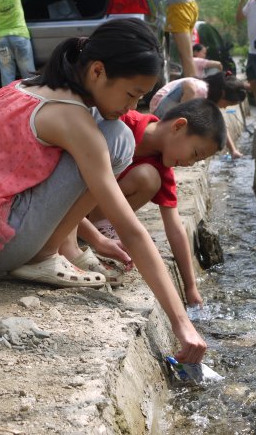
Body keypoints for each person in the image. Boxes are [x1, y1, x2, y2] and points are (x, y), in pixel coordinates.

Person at [0, 18, 207, 363]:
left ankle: (62, 246)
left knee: (115, 135)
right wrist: (182, 323)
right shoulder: (72, 118)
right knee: (118, 139)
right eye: (131, 94)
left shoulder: (34, 86)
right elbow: (132, 229)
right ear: (97, 71)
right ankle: (43, 255)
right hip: (4, 243)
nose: (132, 108)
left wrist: (98, 240)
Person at [87, 99, 227, 306]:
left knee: (149, 178)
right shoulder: (121, 123)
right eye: (195, 154)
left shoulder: (161, 168)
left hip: (89, 211)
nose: (189, 164)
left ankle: (101, 224)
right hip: (68, 200)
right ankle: (92, 231)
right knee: (146, 177)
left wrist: (190, 287)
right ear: (179, 126)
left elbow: (175, 228)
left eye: (196, 162)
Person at [149, 72, 247, 159]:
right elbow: (188, 86)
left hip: (166, 109)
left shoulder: (208, 92)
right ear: (222, 94)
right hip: (159, 109)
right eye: (228, 104)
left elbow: (221, 126)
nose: (225, 107)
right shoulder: (201, 91)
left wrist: (233, 151)